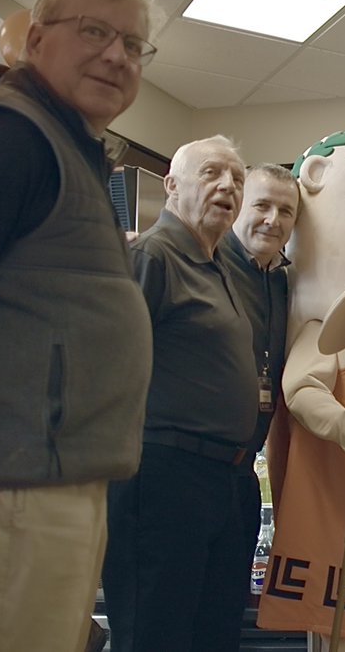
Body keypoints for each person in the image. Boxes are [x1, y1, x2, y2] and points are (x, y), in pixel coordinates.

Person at [0, 0, 154, 650]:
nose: (117, 56)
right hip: (16, 486)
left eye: (134, 44)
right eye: (94, 32)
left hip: (61, 481)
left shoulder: (74, 150)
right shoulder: (13, 139)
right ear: (34, 39)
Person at [103, 135, 259, 652]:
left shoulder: (219, 266)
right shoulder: (154, 255)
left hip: (223, 479)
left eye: (237, 178)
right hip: (165, 476)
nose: (227, 186)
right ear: (171, 185)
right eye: (211, 173)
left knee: (213, 636)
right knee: (156, 634)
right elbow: (108, 366)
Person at [215, 163, 298, 587]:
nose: (273, 219)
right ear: (237, 208)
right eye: (262, 205)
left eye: (286, 211)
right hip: (180, 473)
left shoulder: (283, 282)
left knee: (223, 611)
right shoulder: (203, 266)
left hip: (242, 471)